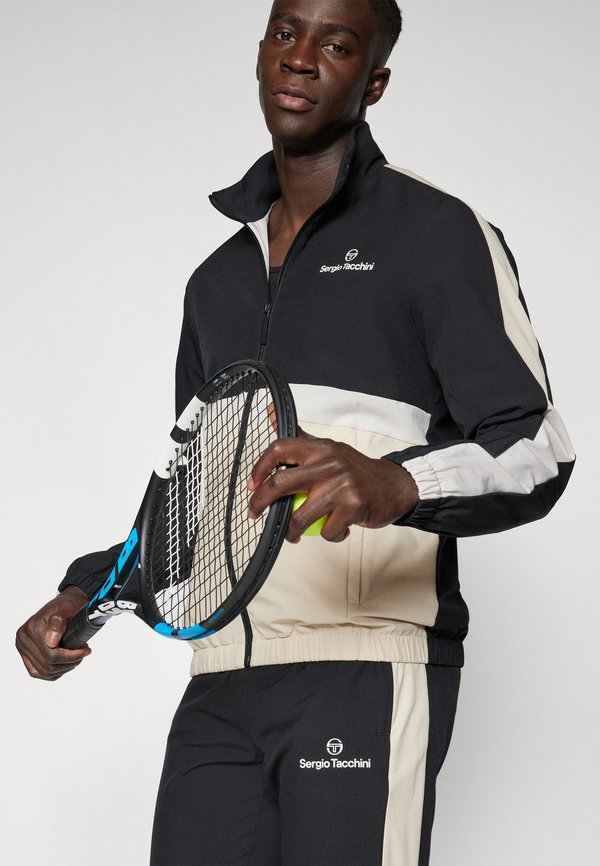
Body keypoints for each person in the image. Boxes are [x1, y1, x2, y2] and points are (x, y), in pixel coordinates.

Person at [16, 1, 575, 864]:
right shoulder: (215, 283)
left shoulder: (435, 233)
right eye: (285, 34)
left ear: (373, 82)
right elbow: (189, 502)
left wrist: (397, 483)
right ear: (261, 53)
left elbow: (537, 447)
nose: (302, 58)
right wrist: (85, 595)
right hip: (221, 684)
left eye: (336, 44)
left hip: (366, 673)